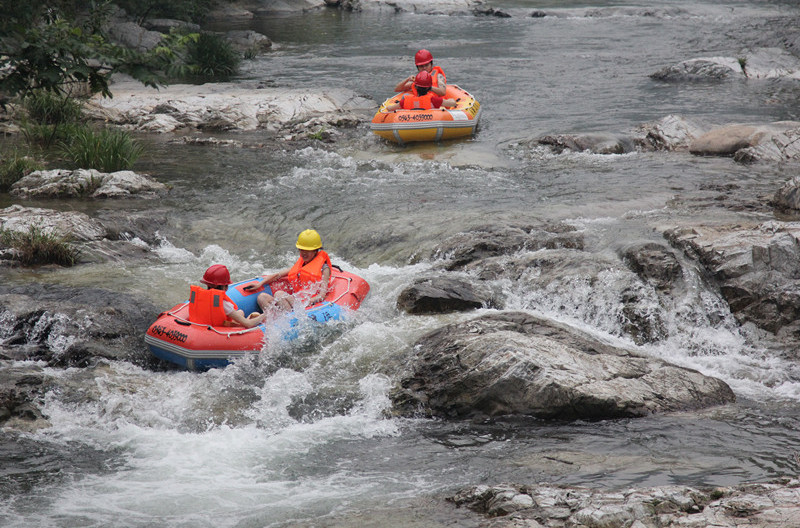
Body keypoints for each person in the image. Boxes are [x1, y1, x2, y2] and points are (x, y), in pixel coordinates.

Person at [244, 229, 332, 312]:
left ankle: (288, 318)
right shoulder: (301, 265)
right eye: (301, 250)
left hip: (307, 305)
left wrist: (307, 302)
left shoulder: (324, 269)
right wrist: (260, 284)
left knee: (279, 294)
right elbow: (278, 275)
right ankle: (274, 319)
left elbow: (322, 295)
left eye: (307, 250)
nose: (303, 253)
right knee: (262, 297)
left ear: (315, 250)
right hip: (296, 301)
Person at [189, 264, 266, 328]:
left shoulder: (198, 297)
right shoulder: (224, 304)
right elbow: (248, 324)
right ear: (224, 286)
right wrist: (266, 315)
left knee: (240, 312)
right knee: (256, 314)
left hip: (203, 328)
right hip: (219, 332)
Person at [384, 71, 457, 111]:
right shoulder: (434, 100)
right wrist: (451, 99)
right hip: (430, 123)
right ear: (429, 88)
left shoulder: (405, 101)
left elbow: (389, 109)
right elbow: (452, 103)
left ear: (415, 86)